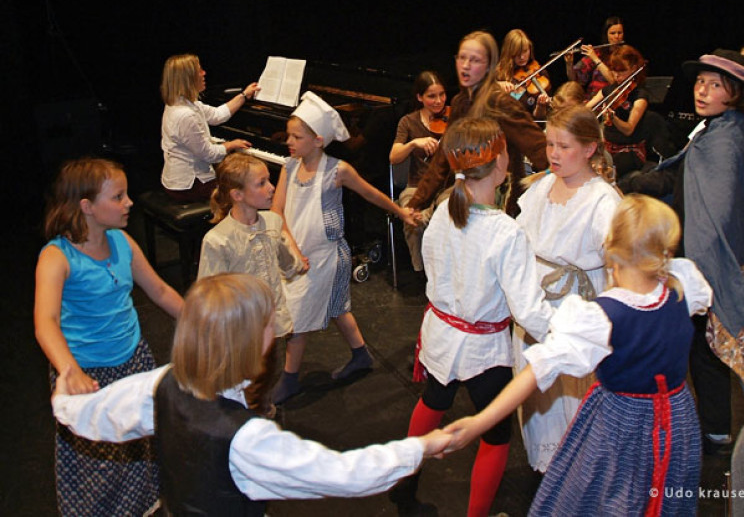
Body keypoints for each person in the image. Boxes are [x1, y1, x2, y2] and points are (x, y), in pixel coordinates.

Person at [51, 273, 452, 515]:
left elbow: (96, 416)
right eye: (267, 321)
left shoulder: (163, 382)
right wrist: (419, 449)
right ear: (247, 341)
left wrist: (63, 398)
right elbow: (341, 474)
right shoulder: (245, 438)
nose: (273, 325)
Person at [444, 195, 713, 515]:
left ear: (609, 247)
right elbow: (702, 305)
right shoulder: (684, 286)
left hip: (620, 424)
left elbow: (538, 369)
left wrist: (479, 422)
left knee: (604, 496)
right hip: (677, 419)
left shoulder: (603, 316)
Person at [391, 118, 555, 517]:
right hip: (484, 351)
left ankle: (403, 484)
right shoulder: (505, 231)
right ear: (501, 162)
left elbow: (432, 268)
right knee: (496, 434)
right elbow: (528, 309)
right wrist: (567, 333)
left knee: (434, 399)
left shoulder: (445, 208)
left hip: (441, 336)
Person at [650, 50, 744, 454]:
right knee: (697, 347)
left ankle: (711, 431)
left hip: (706, 259)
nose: (702, 91)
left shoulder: (725, 139)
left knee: (700, 348)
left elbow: (717, 214)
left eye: (714, 85)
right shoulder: (723, 127)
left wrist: (699, 272)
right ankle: (712, 428)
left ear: (736, 93)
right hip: (699, 253)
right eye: (699, 82)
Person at [34, 158, 184, 516]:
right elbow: (46, 322)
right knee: (98, 465)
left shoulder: (121, 241)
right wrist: (70, 371)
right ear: (86, 207)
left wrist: (202, 325)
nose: (129, 202)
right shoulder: (57, 256)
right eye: (118, 196)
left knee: (139, 450)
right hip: (87, 374)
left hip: (133, 362)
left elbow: (161, 292)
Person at [271, 92, 418, 402]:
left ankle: (289, 379)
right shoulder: (289, 168)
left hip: (328, 257)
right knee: (338, 308)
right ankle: (361, 355)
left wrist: (401, 211)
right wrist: (292, 249)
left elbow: (372, 194)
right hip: (299, 256)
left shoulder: (337, 170)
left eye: (297, 136)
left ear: (318, 140)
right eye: (289, 136)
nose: (290, 141)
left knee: (297, 320)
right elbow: (277, 213)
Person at [512, 104, 621, 472]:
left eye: (564, 146)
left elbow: (620, 266)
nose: (553, 154)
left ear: (590, 149)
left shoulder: (603, 200)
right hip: (533, 305)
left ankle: (577, 473)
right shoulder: (542, 186)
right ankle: (547, 470)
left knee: (571, 393)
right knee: (538, 392)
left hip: (575, 309)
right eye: (550, 145)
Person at [198, 152, 303, 417]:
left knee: (268, 374)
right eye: (262, 183)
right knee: (243, 384)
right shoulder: (218, 240)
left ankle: (264, 412)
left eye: (269, 180)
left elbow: (284, 258)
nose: (271, 189)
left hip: (271, 322)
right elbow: (209, 293)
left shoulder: (273, 223)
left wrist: (295, 265)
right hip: (240, 331)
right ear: (237, 195)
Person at [408, 30, 547, 217]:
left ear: (488, 65)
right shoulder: (459, 103)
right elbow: (443, 157)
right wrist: (416, 203)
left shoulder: (500, 102)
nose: (465, 66)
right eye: (462, 58)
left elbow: (538, 147)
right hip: (470, 191)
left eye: (474, 60)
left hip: (500, 200)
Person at [160, 53, 260, 201]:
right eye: (199, 71)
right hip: (189, 185)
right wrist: (231, 145)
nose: (204, 73)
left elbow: (217, 115)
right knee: (242, 189)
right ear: (188, 78)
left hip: (180, 180)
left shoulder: (183, 103)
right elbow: (209, 154)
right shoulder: (185, 115)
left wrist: (244, 95)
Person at [389, 71, 448, 275]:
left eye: (442, 95)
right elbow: (394, 156)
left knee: (448, 213)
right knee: (412, 221)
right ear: (419, 97)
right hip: (416, 187)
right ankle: (423, 273)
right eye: (432, 96)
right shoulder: (408, 122)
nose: (439, 101)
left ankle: (444, 272)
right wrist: (414, 143)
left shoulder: (452, 118)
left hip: (446, 187)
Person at [586, 44, 651, 178]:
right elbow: (586, 109)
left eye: (621, 71)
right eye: (614, 70)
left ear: (633, 68)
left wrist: (613, 118)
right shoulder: (610, 90)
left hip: (629, 151)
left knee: (606, 169)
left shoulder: (640, 95)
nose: (616, 75)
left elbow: (628, 129)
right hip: (608, 148)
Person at [564, 15, 626, 97]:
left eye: (619, 33)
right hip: (591, 99)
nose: (616, 36)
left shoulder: (625, 55)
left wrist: (595, 58)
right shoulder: (598, 53)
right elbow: (574, 80)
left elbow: (614, 81)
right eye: (612, 33)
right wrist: (569, 63)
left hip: (612, 100)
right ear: (606, 35)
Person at [495, 28, 550, 114]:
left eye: (525, 51)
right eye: (517, 53)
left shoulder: (540, 73)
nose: (522, 57)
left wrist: (540, 106)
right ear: (509, 52)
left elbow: (539, 118)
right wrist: (498, 85)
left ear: (530, 49)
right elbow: (482, 90)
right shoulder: (499, 74)